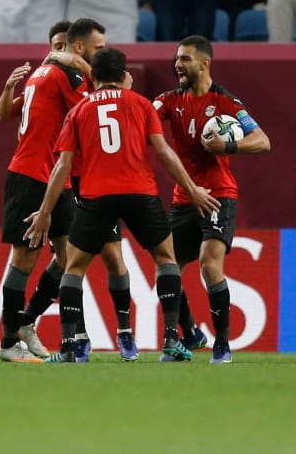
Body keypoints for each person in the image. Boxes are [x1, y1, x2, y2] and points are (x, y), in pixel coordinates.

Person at [25, 46, 221, 363]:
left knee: (73, 267)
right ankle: (171, 339)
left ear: (93, 75)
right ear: (124, 74)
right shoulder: (141, 104)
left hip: (96, 196)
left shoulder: (79, 110)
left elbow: (62, 166)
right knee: (166, 258)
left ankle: (71, 347)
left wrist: (45, 212)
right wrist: (192, 189)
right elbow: (164, 152)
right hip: (139, 193)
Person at [150, 36, 269, 362]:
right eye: (177, 59)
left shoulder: (226, 102)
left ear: (204, 64)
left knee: (209, 263)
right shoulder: (170, 100)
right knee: (166, 266)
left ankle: (223, 345)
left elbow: (262, 141)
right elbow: (143, 115)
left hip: (218, 195)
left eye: (185, 59)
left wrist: (227, 146)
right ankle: (187, 334)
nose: (178, 65)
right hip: (185, 196)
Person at [0, 18, 104, 362]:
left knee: (69, 256)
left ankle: (27, 321)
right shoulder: (64, 75)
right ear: (79, 48)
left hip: (56, 177)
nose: (102, 53)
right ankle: (8, 343)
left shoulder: (43, 72)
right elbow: (92, 113)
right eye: (98, 49)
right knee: (24, 258)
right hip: (31, 175)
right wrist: (95, 75)